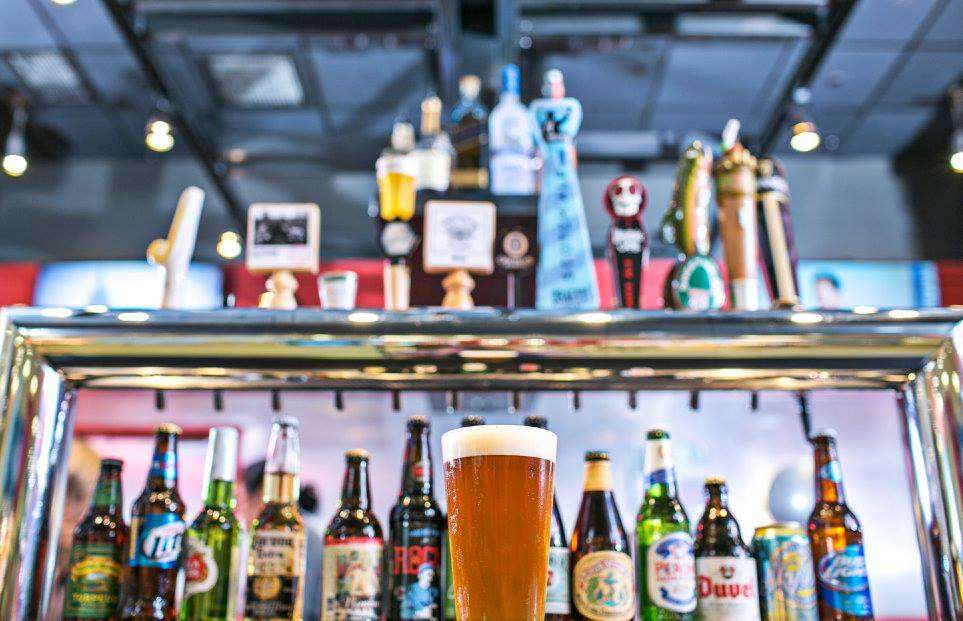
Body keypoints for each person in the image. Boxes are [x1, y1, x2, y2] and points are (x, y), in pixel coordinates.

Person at [240, 460, 322, 620]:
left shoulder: (296, 535)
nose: (242, 512)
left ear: (263, 496)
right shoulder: (303, 530)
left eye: (243, 501)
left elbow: (298, 609)